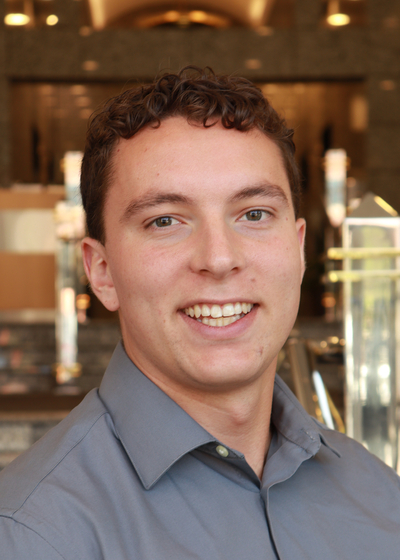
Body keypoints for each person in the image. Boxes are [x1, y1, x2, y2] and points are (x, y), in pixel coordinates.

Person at [0, 67, 399, 560]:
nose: (219, 258)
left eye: (254, 214)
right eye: (165, 220)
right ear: (102, 272)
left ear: (298, 252)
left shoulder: (379, 496)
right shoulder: (32, 534)